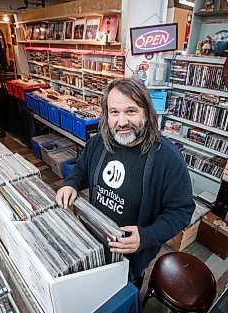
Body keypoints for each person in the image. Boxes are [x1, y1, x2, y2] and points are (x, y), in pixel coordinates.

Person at [56, 78, 195, 289]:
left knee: (121, 296)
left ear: (146, 113)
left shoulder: (167, 158)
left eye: (130, 111)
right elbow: (82, 168)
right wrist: (71, 183)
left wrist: (148, 236)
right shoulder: (99, 142)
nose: (121, 122)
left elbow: (182, 211)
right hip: (93, 238)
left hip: (131, 257)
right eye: (114, 112)